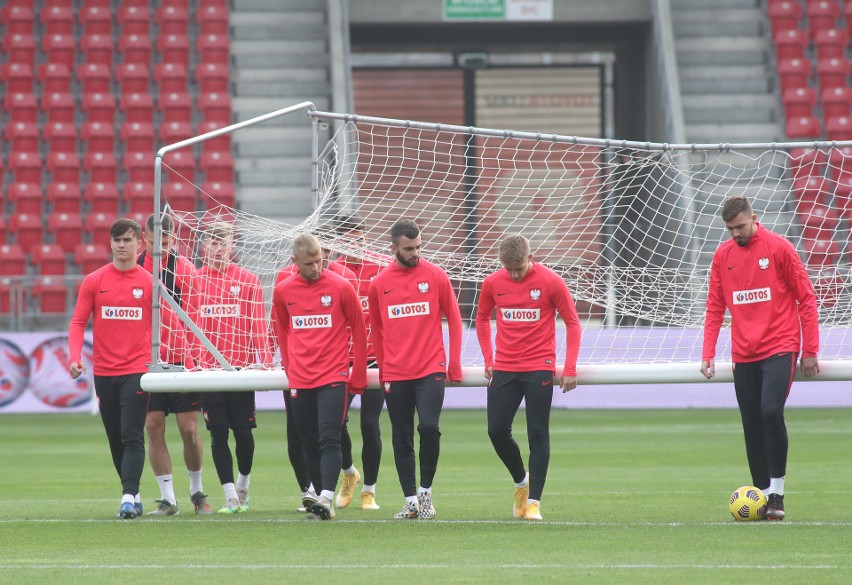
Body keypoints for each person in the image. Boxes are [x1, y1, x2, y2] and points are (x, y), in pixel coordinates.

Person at [701, 196, 819, 521]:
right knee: (751, 423)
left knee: (770, 412)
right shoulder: (722, 256)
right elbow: (715, 307)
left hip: (780, 345)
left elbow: (806, 299)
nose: (736, 234)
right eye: (730, 229)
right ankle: (762, 496)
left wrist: (810, 350)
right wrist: (708, 352)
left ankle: (777, 493)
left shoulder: (779, 248)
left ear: (755, 218)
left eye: (740, 226)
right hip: (744, 351)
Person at [475, 234, 582, 521]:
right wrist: (489, 358)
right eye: (509, 269)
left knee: (537, 433)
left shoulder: (551, 281)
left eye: (519, 268)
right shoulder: (493, 283)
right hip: (506, 368)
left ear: (530, 257)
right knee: (496, 431)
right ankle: (522, 482)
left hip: (539, 366)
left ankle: (534, 502)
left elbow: (573, 322)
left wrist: (570, 367)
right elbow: (482, 318)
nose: (514, 274)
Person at [367, 219, 463, 519]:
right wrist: (384, 369)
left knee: (428, 427)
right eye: (409, 249)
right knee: (401, 435)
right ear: (393, 247)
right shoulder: (379, 284)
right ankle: (410, 501)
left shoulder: (435, 276)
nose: (416, 253)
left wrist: (454, 363)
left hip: (430, 368)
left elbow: (456, 320)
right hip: (396, 373)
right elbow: (378, 331)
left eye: (419, 247)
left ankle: (425, 494)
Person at [272, 233, 368, 520]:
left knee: (330, 437)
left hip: (333, 374)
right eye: (309, 263)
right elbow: (282, 328)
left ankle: (326, 498)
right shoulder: (283, 290)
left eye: (319, 261)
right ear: (294, 262)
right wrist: (289, 365)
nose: (316, 267)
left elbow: (360, 329)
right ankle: (319, 494)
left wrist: (359, 373)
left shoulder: (341, 286)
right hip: (301, 378)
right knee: (308, 440)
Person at [68, 218, 152, 519]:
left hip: (137, 371)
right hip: (104, 372)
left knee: (132, 435)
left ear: (139, 243)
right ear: (110, 243)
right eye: (116, 240)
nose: (121, 245)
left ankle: (127, 497)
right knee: (116, 438)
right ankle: (135, 494)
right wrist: (74, 357)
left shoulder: (148, 283)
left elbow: (166, 326)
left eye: (127, 240)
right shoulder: (94, 281)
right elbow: (78, 322)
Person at [186, 221, 273, 514]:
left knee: (244, 433)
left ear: (232, 246)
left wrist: (264, 360)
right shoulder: (195, 281)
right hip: (209, 372)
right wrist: (193, 363)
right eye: (212, 243)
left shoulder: (248, 280)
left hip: (241, 369)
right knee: (217, 434)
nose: (217, 249)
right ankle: (230, 496)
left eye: (222, 243)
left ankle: (243, 483)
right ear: (202, 247)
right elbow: (190, 327)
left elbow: (258, 324)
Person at [138, 213, 212, 515]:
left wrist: (195, 360)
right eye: (155, 243)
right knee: (153, 426)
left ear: (174, 240)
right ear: (145, 239)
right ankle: (168, 498)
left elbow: (194, 317)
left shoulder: (186, 270)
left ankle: (197, 491)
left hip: (182, 360)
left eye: (166, 243)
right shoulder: (137, 269)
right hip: (148, 361)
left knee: (189, 431)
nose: (160, 249)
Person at [334, 217, 389, 511]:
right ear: (339, 244)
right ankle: (349, 473)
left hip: (373, 360)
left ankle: (369, 491)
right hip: (341, 359)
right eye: (350, 242)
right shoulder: (333, 272)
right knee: (336, 423)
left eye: (361, 240)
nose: (358, 247)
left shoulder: (381, 269)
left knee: (370, 424)